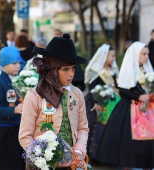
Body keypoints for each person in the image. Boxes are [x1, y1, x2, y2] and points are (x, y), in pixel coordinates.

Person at [19, 33, 89, 170]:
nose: (71, 74)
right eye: (65, 69)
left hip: (72, 164)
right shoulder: (34, 96)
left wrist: (79, 152)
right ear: (52, 69)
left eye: (73, 68)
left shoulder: (77, 94)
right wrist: (45, 159)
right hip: (42, 165)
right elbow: (25, 136)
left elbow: (83, 128)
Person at [96, 42, 154, 170]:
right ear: (135, 54)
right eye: (143, 54)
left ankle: (148, 164)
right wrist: (138, 97)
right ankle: (132, 164)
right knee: (130, 139)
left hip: (148, 110)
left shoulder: (147, 69)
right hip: (131, 109)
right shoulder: (130, 70)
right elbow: (123, 89)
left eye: (148, 54)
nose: (146, 57)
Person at [0, 47, 26, 170]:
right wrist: (14, 110)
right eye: (14, 63)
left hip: (20, 131)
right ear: (4, 64)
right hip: (6, 134)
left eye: (19, 63)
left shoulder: (21, 80)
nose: (18, 66)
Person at [84, 44, 120, 162]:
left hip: (111, 103)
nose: (114, 59)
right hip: (96, 103)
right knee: (96, 127)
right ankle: (94, 156)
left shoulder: (113, 70)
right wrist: (96, 103)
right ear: (104, 56)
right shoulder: (96, 69)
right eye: (112, 56)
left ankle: (108, 156)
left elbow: (115, 86)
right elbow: (91, 87)